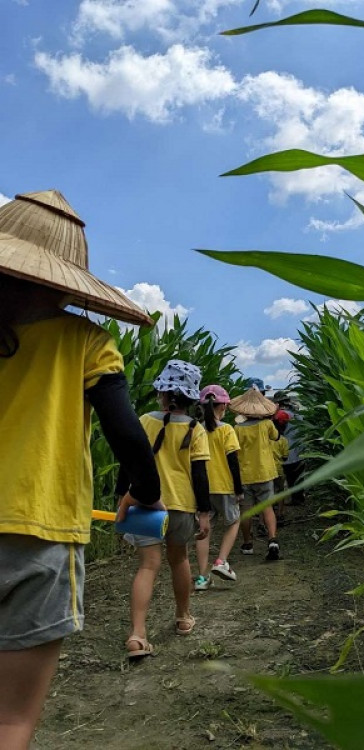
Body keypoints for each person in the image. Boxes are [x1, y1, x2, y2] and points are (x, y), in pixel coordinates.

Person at [0, 190, 162, 749]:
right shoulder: (86, 340)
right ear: (66, 280)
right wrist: (146, 493)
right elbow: (126, 434)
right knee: (10, 720)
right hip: (38, 532)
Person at [117, 361, 211, 657]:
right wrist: (204, 513)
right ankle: (183, 617)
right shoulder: (196, 429)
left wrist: (121, 497)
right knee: (179, 559)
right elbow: (200, 475)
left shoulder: (145, 421)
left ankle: (137, 634)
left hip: (144, 503)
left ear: (162, 393)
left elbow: (128, 461)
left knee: (147, 566)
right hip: (181, 505)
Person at [194, 384, 243, 591]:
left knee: (204, 530)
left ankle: (201, 577)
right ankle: (221, 561)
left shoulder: (195, 429)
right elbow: (233, 462)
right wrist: (239, 489)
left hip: (201, 489)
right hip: (224, 486)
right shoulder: (227, 429)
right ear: (223, 406)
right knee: (234, 522)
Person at [230, 387, 281, 561]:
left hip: (244, 474)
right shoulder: (266, 425)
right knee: (267, 507)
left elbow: (234, 450)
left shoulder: (237, 428)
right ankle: (272, 540)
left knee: (246, 510)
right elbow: (276, 437)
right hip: (264, 472)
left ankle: (247, 543)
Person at [274, 390, 305, 506]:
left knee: (290, 477)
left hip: (288, 450)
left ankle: (291, 500)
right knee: (298, 476)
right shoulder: (297, 414)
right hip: (299, 449)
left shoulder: (282, 414)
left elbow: (277, 432)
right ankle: (299, 498)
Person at [271, 410, 290, 525]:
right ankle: (280, 514)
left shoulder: (266, 438)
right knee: (280, 492)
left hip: (267, 470)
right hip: (279, 470)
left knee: (268, 494)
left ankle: (268, 516)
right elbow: (285, 457)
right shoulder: (283, 440)